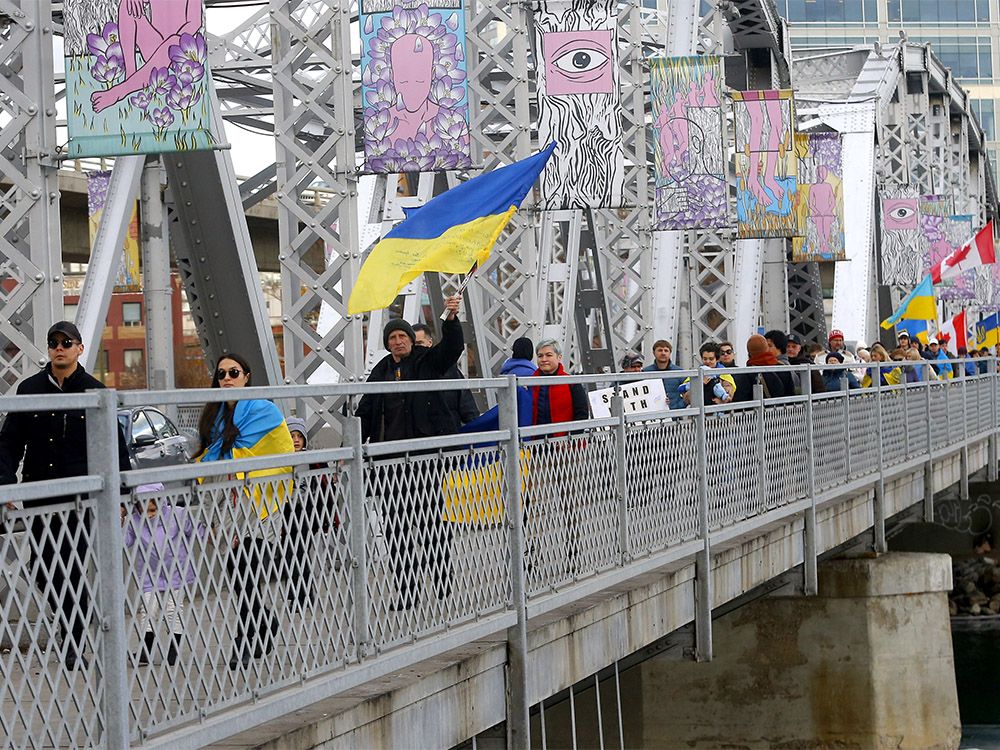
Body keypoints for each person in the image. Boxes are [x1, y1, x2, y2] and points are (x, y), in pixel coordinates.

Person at [0, 321, 131, 669]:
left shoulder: (95, 391)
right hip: (40, 493)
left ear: (79, 348)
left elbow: (115, 447)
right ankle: (80, 610)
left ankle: (72, 640)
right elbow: (10, 441)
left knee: (71, 565)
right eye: (53, 342)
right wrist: (5, 483)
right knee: (44, 568)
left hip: (82, 497)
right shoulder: (28, 391)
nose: (59, 347)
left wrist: (120, 494)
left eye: (66, 342)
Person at [356, 295, 464, 610]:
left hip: (423, 456)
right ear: (387, 343)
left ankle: (442, 579)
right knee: (396, 527)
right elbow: (366, 409)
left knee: (430, 520)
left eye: (402, 335)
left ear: (410, 339)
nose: (398, 341)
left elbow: (451, 350)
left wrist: (450, 321)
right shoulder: (382, 370)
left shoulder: (424, 360)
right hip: (389, 460)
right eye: (392, 337)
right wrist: (351, 446)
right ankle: (407, 591)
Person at [195, 352, 295, 669]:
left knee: (248, 573)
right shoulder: (215, 418)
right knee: (238, 577)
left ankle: (245, 639)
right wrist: (211, 519)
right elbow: (213, 463)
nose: (227, 378)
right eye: (221, 374)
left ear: (246, 376)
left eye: (233, 372)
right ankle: (264, 623)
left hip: (261, 505)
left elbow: (275, 451)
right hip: (228, 505)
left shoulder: (263, 410)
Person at [123, 482, 205, 667]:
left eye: (153, 511)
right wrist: (121, 524)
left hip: (175, 571)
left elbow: (197, 530)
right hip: (149, 572)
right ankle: (145, 649)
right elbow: (125, 541)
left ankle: (174, 650)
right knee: (148, 609)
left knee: (173, 609)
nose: (149, 515)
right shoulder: (134, 520)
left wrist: (213, 536)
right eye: (144, 511)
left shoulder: (177, 514)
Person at [529, 338, 589, 577]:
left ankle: (573, 553)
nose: (544, 359)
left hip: (566, 452)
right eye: (540, 355)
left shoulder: (571, 382)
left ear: (559, 358)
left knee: (571, 505)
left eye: (548, 355)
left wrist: (569, 439)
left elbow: (581, 414)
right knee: (535, 506)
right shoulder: (527, 383)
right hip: (537, 452)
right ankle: (532, 557)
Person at [281, 417, 339, 610]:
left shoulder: (312, 460)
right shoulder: (280, 459)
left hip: (307, 511)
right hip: (286, 511)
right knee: (291, 554)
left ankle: (303, 595)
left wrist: (329, 517)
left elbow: (325, 488)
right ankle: (298, 594)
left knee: (298, 553)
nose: (296, 440)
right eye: (291, 436)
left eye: (299, 436)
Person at [413, 323, 479, 425]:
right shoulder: (406, 369)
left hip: (447, 431)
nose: (416, 348)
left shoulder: (448, 369)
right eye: (413, 345)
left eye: (419, 343)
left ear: (430, 342)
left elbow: (466, 404)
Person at [733, 334, 794, 401]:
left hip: (760, 410)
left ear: (749, 352)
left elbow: (741, 400)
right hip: (784, 410)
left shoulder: (747, 374)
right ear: (766, 348)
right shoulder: (783, 369)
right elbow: (791, 395)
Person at [642, 339, 685, 410]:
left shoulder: (679, 372)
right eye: (660, 350)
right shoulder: (645, 372)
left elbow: (689, 393)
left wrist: (677, 407)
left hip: (675, 416)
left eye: (666, 350)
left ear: (670, 353)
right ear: (653, 352)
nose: (663, 353)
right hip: (652, 416)